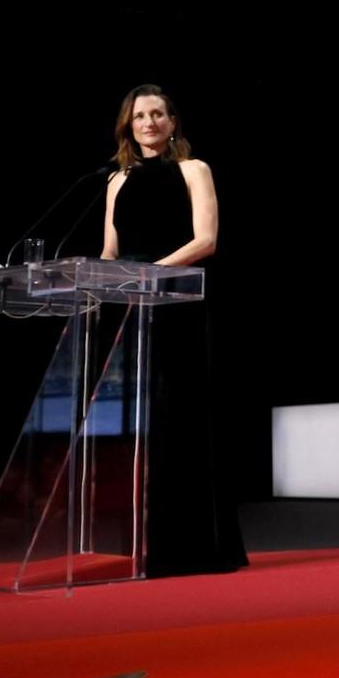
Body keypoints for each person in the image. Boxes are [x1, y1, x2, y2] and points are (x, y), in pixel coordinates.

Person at [101, 83, 249, 578]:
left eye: (158, 113)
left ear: (172, 122)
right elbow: (108, 254)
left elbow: (205, 240)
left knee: (182, 418)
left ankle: (199, 549)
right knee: (143, 426)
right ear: (129, 125)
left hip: (182, 304)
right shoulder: (116, 182)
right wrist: (108, 282)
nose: (149, 122)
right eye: (140, 115)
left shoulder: (194, 170)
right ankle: (146, 549)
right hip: (134, 310)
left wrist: (151, 274)